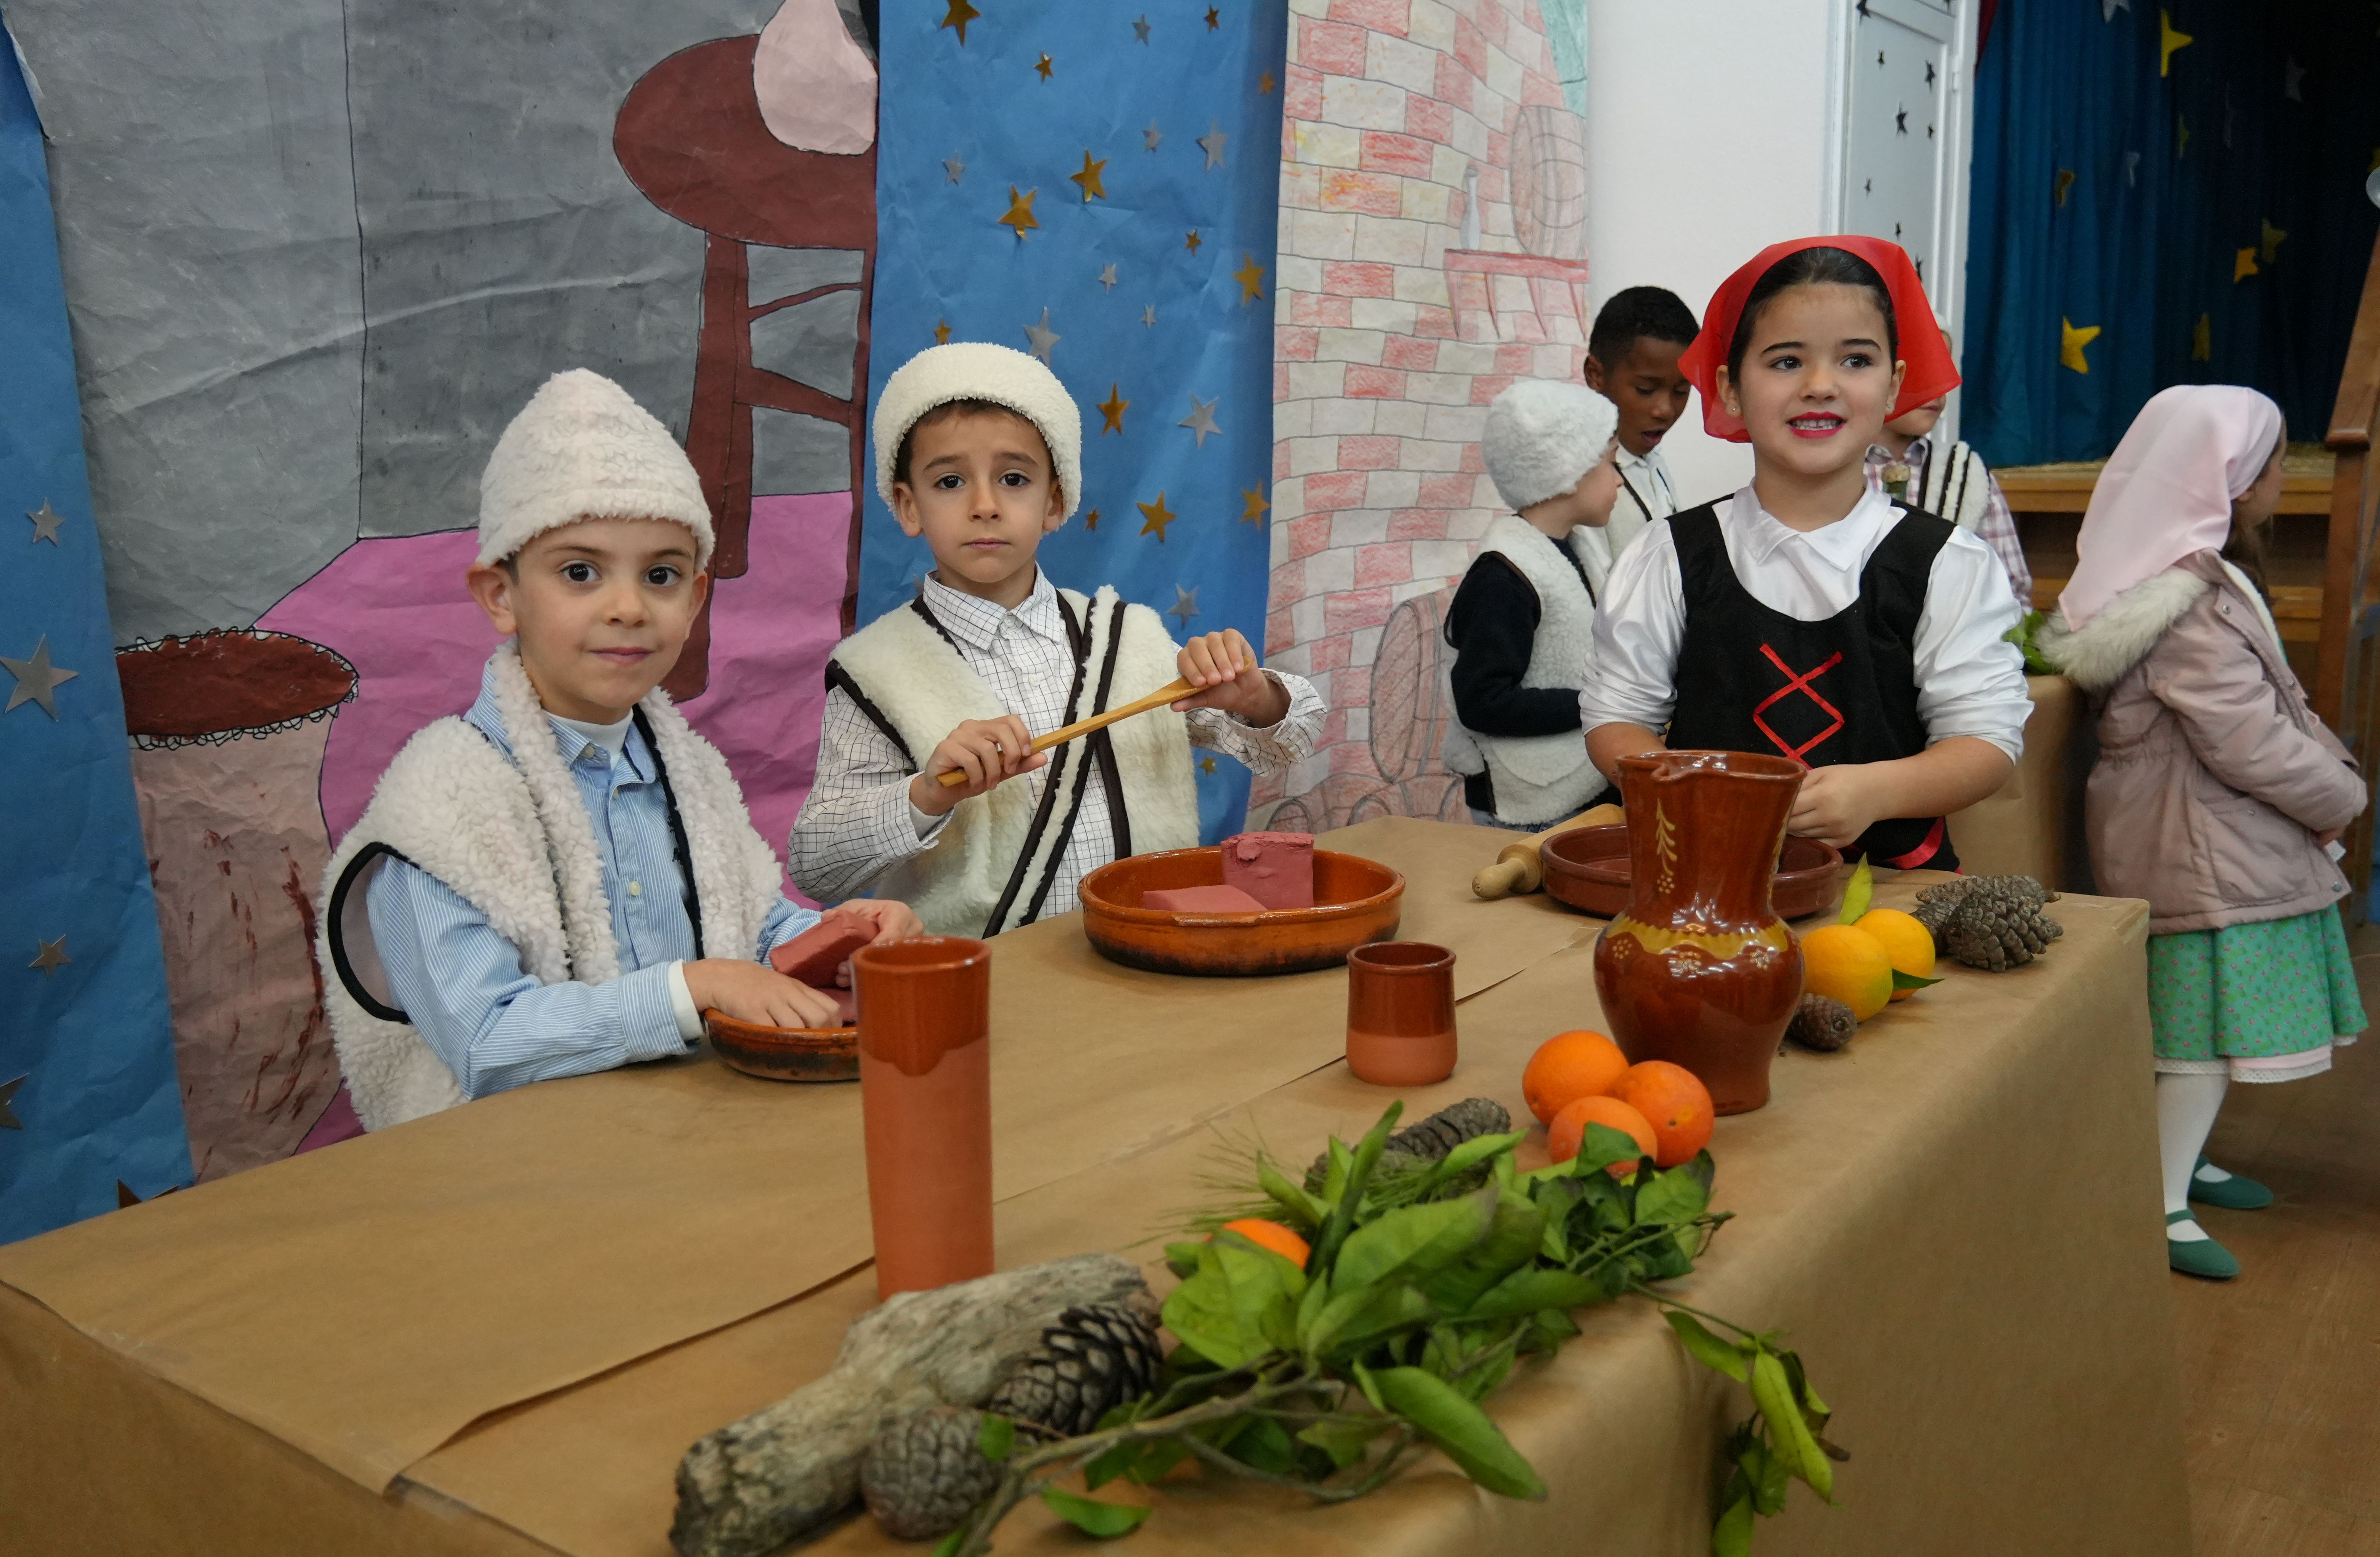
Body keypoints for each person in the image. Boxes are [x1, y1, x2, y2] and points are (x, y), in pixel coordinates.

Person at [317, 370, 919, 1132]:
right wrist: (694, 988)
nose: (629, 607)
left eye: (661, 575)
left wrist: (839, 939)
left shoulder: (688, 769)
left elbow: (747, 932)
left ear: (696, 599)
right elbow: (489, 1046)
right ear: (500, 596)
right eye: (580, 572)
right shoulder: (439, 808)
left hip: (693, 1146)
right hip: (510, 1190)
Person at [789, 343, 1325, 936]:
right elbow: (817, 866)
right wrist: (926, 795)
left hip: (1149, 966)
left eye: (1013, 479)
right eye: (950, 482)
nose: (985, 506)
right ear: (908, 506)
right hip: (981, 991)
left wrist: (1255, 700)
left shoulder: (1129, 638)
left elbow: (1291, 742)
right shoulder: (876, 671)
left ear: (1055, 500)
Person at [2038, 385, 2366, 1280]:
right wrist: (2337, 790)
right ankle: (2158, 1194)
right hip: (2205, 854)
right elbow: (2248, 739)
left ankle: (2185, 1158)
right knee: (2201, 1045)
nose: (2276, 480)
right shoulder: (2184, 606)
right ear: (2225, 481)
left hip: (2207, 843)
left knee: (2200, 1034)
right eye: (2267, 465)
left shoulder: (2190, 583)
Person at [1581, 237, 2030, 871]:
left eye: (1854, 359)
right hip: (1701, 884)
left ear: (1894, 383)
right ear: (1729, 388)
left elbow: (1984, 740)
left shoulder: (1946, 563)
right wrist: (1693, 790)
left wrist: (1874, 791)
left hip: (1887, 911)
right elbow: (1616, 716)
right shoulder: (1670, 554)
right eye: (1786, 362)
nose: (1821, 385)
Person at [1441, 379, 1624, 830]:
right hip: (1528, 807)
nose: (1620, 479)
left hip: (1575, 790)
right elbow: (1482, 701)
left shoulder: (1578, 549)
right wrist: (1596, 704)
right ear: (1569, 470)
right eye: (1611, 463)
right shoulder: (1504, 577)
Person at [1863, 369, 2032, 608]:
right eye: (1920, 369)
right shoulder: (1828, 468)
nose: (1939, 391)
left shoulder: (1966, 474)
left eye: (1941, 372)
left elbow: (2010, 592)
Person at [1581, 285, 1699, 567]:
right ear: (1596, 375)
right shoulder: (1581, 483)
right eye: (1646, 389)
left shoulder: (1651, 460)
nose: (1665, 410)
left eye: (1682, 392)